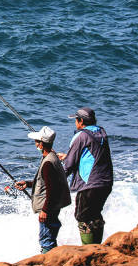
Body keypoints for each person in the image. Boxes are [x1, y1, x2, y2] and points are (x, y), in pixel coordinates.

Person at [58, 107, 113, 245]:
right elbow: (92, 154)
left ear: (81, 121)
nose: (75, 123)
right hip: (105, 182)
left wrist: (58, 180)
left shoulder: (80, 136)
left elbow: (69, 165)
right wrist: (67, 156)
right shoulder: (101, 132)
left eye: (76, 120)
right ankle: (97, 246)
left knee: (83, 217)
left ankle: (88, 249)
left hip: (90, 184)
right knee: (95, 214)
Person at [15, 126, 71, 253]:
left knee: (46, 239)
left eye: (36, 141)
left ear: (41, 144)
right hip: (53, 205)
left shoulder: (47, 163)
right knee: (50, 235)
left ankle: (47, 260)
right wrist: (28, 184)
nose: (35, 144)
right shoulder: (53, 157)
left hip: (48, 207)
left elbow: (52, 189)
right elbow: (48, 182)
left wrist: (44, 210)